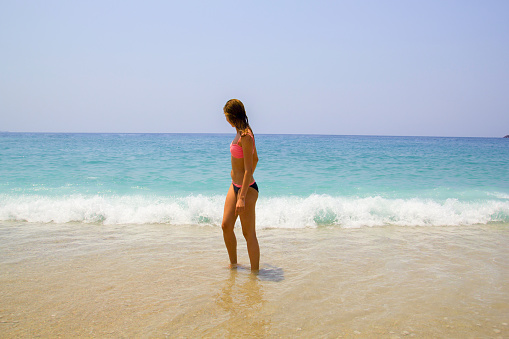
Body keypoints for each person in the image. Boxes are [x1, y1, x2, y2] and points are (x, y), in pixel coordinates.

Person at [221, 99, 260, 272]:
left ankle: (255, 274)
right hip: (234, 186)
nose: (226, 120)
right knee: (226, 225)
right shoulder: (239, 132)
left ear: (233, 116)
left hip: (247, 190)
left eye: (227, 117)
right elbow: (256, 158)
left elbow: (249, 168)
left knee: (248, 233)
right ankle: (234, 265)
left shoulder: (246, 136)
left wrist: (242, 197)